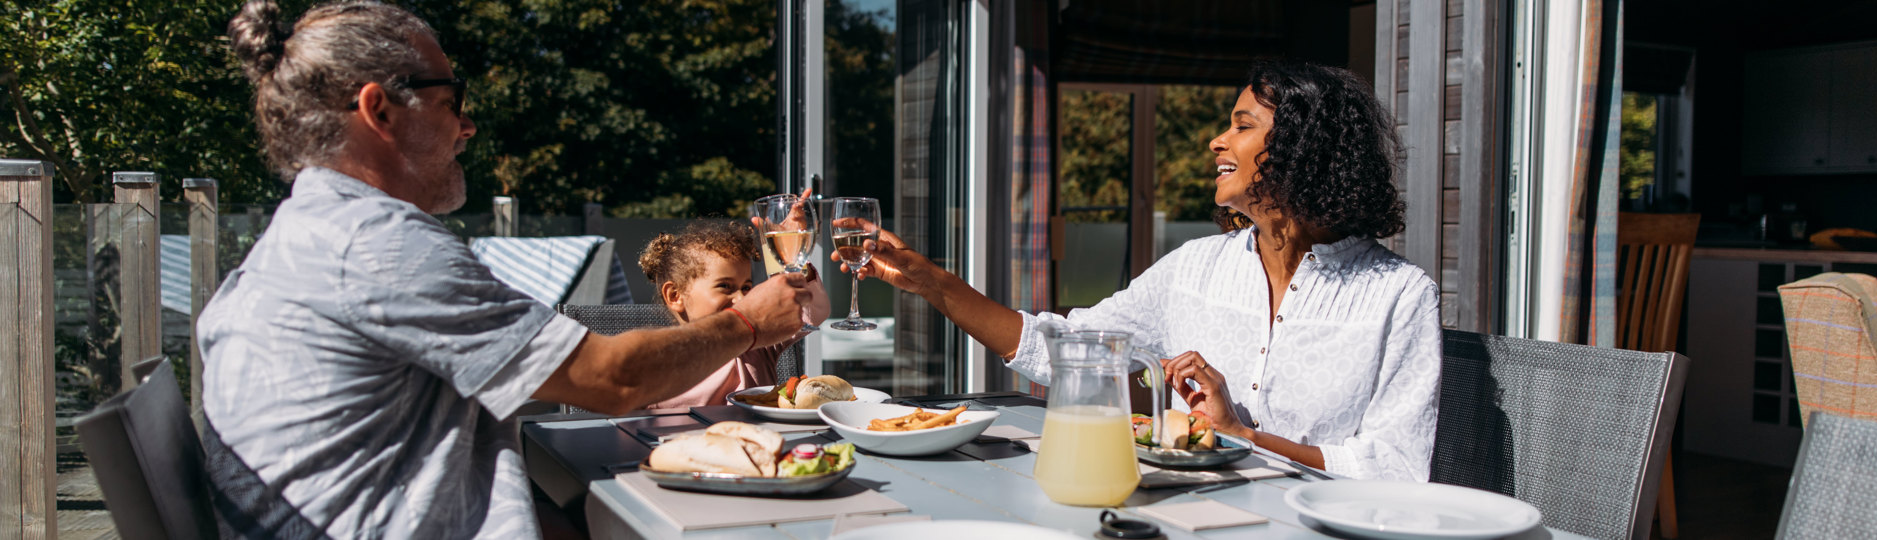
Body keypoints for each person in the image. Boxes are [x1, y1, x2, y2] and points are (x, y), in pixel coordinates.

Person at [201, 1, 812, 537]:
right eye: (451, 100)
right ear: (379, 111)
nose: (467, 125)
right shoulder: (374, 243)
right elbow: (611, 382)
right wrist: (747, 324)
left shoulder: (301, 239)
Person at [836, 60, 1440, 482]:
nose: (1216, 140)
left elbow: (1395, 467)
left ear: (1305, 147)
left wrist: (1241, 435)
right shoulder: (1195, 269)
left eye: (1242, 125)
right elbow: (1067, 349)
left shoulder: (1397, 295)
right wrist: (932, 283)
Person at [638, 220, 829, 408]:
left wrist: (792, 255)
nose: (740, 298)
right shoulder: (658, 365)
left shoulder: (758, 343)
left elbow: (811, 310)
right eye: (725, 286)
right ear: (675, 296)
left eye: (746, 287)